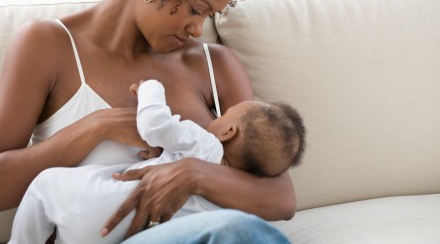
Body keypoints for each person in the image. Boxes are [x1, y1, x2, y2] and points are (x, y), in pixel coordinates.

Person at [0, 0, 297, 243]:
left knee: (237, 232)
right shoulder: (47, 44)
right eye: (196, 9)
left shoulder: (216, 66)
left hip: (199, 235)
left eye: (211, 14)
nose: (199, 29)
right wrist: (97, 127)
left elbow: (282, 198)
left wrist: (192, 174)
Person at [8, 79, 306, 244]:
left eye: (222, 115)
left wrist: (152, 88)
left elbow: (154, 124)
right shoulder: (234, 197)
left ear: (228, 131)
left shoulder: (206, 143)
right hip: (126, 234)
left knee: (45, 185)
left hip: (91, 208)